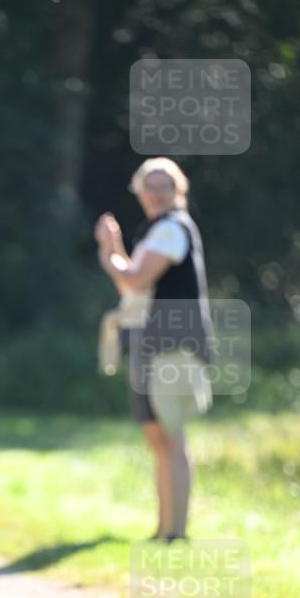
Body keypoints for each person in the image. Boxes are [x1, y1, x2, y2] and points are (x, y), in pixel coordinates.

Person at [94, 157, 213, 542]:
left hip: (173, 346)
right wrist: (113, 253)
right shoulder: (158, 231)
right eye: (151, 186)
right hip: (151, 345)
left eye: (165, 186)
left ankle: (176, 533)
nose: (157, 193)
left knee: (172, 438)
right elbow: (132, 286)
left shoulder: (172, 229)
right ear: (140, 191)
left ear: (178, 191)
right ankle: (164, 530)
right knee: (158, 439)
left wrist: (109, 249)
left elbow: (135, 278)